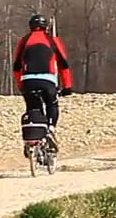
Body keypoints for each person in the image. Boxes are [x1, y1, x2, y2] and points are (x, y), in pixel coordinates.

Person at [13, 14, 74, 143]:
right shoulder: (53, 40)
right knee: (52, 105)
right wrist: (67, 86)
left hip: (28, 80)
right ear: (45, 27)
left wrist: (20, 85)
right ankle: (50, 129)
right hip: (48, 80)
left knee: (33, 108)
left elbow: (17, 67)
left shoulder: (23, 41)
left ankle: (33, 142)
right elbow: (64, 65)